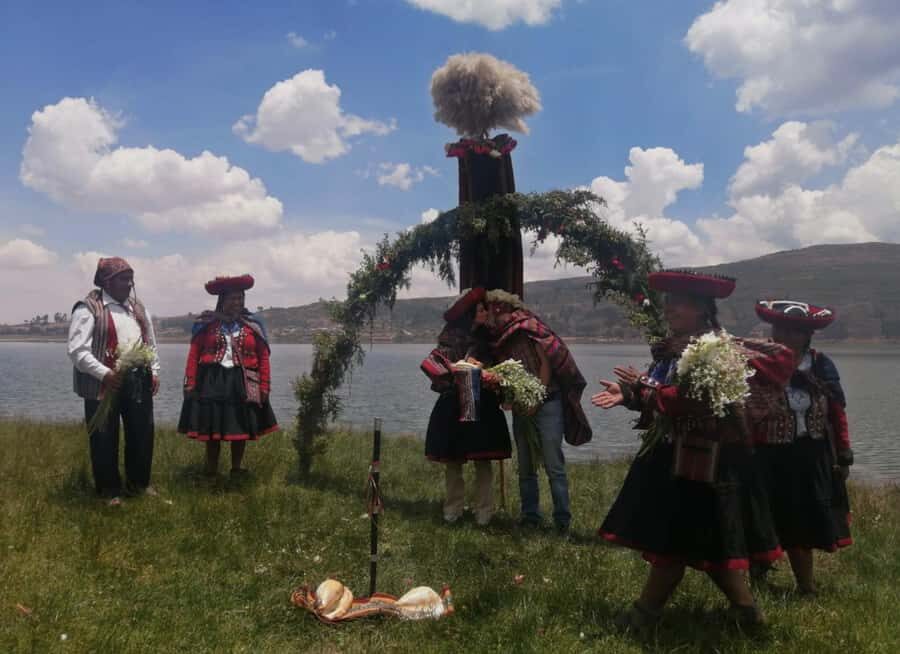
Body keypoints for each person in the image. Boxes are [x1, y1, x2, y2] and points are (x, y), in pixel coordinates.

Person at [592, 270, 794, 629]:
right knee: (705, 543)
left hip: (705, 463)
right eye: (668, 302)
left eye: (679, 303)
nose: (669, 309)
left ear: (702, 308)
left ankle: (643, 615)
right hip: (677, 456)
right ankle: (747, 614)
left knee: (674, 542)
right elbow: (662, 394)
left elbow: (692, 401)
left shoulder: (713, 352)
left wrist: (643, 389)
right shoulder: (676, 348)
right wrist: (630, 395)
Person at [751, 300, 853, 594]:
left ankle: (806, 586)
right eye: (781, 328)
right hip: (766, 454)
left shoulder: (820, 365)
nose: (786, 335)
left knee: (802, 522)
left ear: (808, 335)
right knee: (762, 516)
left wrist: (844, 452)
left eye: (795, 330)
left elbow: (836, 410)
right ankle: (758, 580)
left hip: (810, 455)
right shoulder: (757, 362)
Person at [477, 289, 592, 533]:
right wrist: (510, 397)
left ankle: (562, 521)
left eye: (493, 311)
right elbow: (507, 372)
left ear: (503, 309)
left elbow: (545, 364)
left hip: (548, 401)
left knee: (553, 464)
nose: (492, 317)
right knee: (526, 465)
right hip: (522, 405)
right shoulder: (498, 339)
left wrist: (536, 399)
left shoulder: (530, 327)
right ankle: (530, 517)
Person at [68, 257, 160, 506]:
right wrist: (105, 374)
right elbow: (77, 350)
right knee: (104, 435)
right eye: (123, 279)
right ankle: (109, 491)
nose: (129, 284)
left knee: (142, 432)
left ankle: (139, 485)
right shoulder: (88, 308)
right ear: (107, 282)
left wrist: (154, 370)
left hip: (138, 378)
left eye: (131, 279)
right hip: (102, 381)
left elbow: (150, 342)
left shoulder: (138, 308)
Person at [421, 288, 511, 526]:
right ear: (468, 314)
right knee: (453, 460)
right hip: (454, 404)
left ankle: (484, 512)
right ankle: (453, 509)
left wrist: (488, 373)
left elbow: (499, 368)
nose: (485, 313)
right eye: (480, 310)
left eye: (484, 309)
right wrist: (458, 367)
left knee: (483, 460)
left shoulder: (489, 340)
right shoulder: (450, 339)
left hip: (483, 404)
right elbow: (439, 366)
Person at [178, 275, 278, 477]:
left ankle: (236, 469)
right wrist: (190, 381)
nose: (237, 302)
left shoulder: (253, 324)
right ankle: (211, 471)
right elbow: (194, 354)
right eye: (232, 298)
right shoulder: (206, 323)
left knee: (240, 426)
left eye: (240, 298)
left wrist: (265, 385)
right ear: (222, 300)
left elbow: (263, 357)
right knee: (212, 429)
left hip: (242, 382)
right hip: (212, 381)